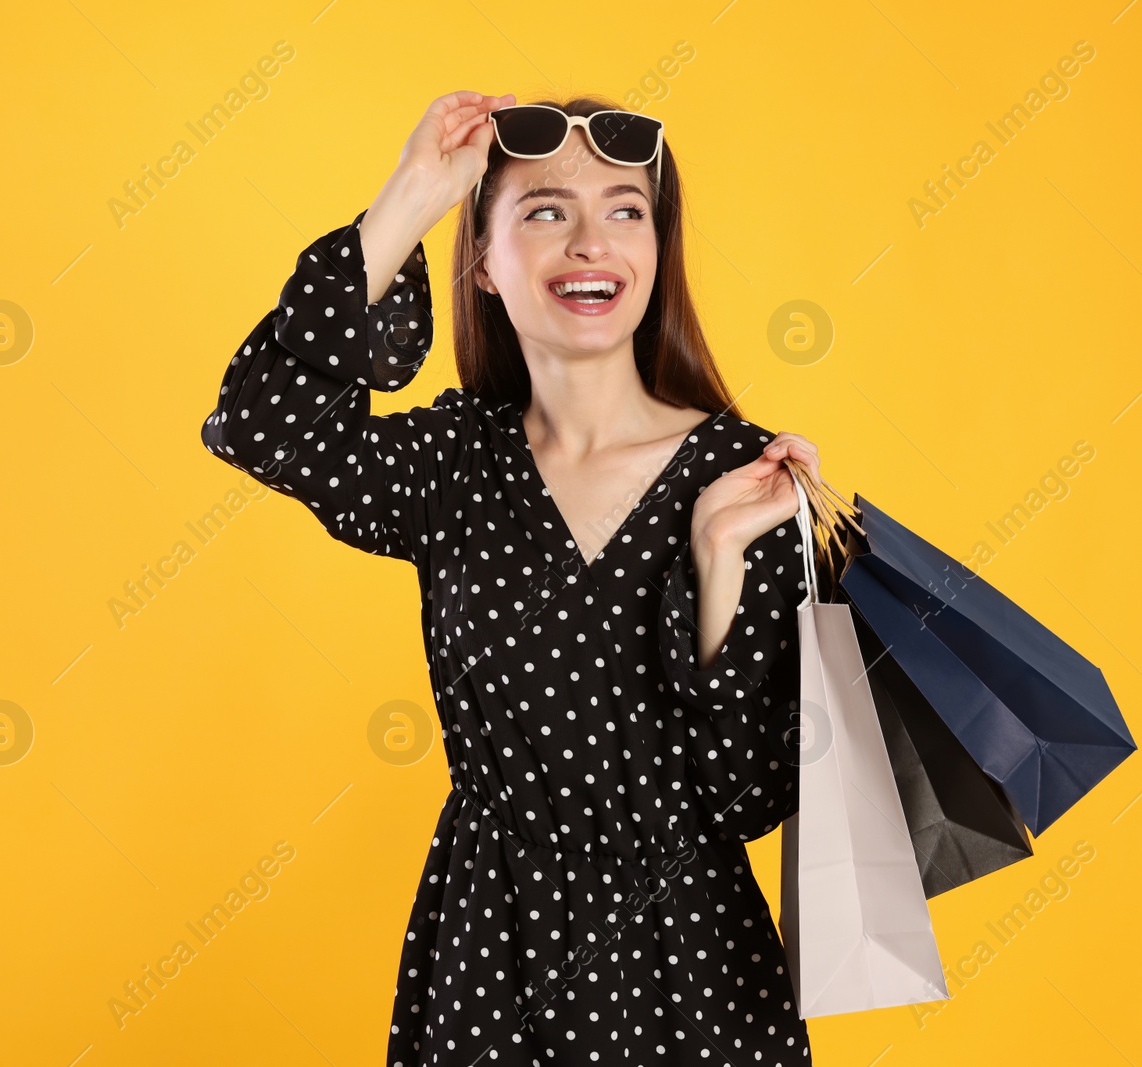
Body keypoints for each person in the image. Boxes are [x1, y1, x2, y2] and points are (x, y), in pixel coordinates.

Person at [200, 89, 824, 1066]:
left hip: (691, 973)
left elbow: (746, 798)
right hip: (492, 954)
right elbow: (262, 424)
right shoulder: (459, 461)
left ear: (658, 253)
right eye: (545, 210)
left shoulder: (743, 480)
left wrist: (716, 560)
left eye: (626, 209)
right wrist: (409, 198)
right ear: (483, 262)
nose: (590, 241)